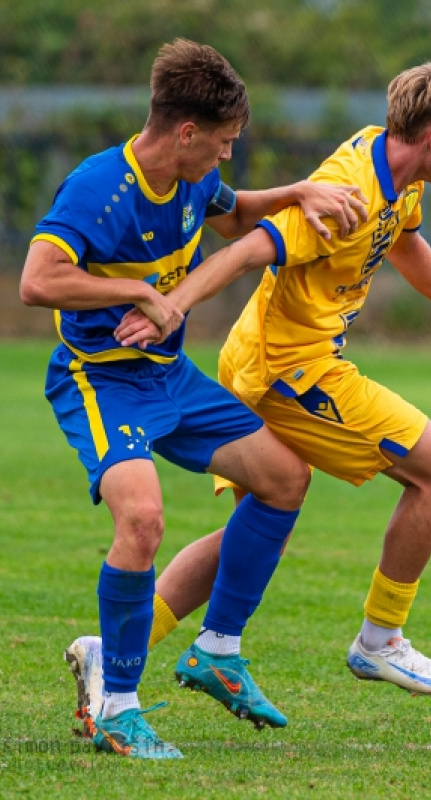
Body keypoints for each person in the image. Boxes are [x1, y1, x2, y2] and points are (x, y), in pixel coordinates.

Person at [65, 53, 431, 734]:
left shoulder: (392, 167)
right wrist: (168, 304)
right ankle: (380, 640)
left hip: (273, 361)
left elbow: (404, 242)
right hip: (290, 371)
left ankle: (117, 653)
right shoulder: (346, 193)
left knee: (252, 530)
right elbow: (246, 250)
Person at [21, 38, 367, 760]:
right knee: (143, 521)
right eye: (223, 143)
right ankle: (117, 705)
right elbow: (38, 281)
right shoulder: (99, 187)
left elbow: (236, 214)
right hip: (102, 380)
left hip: (171, 379)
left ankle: (218, 649)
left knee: (283, 479)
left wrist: (301, 192)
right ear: (185, 133)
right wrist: (140, 290)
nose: (226, 156)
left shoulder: (191, 180)